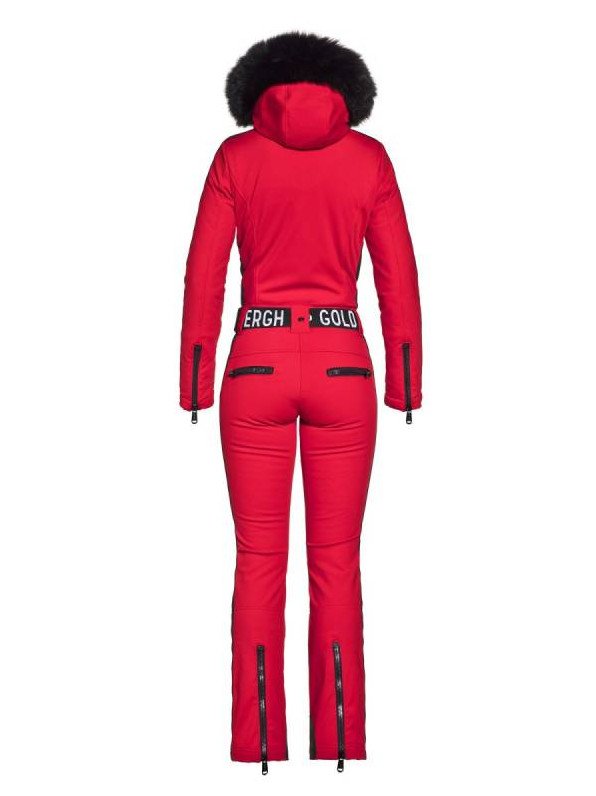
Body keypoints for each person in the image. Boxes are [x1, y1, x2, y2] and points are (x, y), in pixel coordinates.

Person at [179, 32, 423, 774]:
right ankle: (339, 744)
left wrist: (194, 380)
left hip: (253, 365)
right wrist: (405, 382)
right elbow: (397, 275)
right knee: (337, 562)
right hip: (343, 368)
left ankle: (259, 747)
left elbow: (204, 275)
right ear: (345, 90)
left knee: (257, 562)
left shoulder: (236, 158)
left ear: (259, 88)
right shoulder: (370, 160)